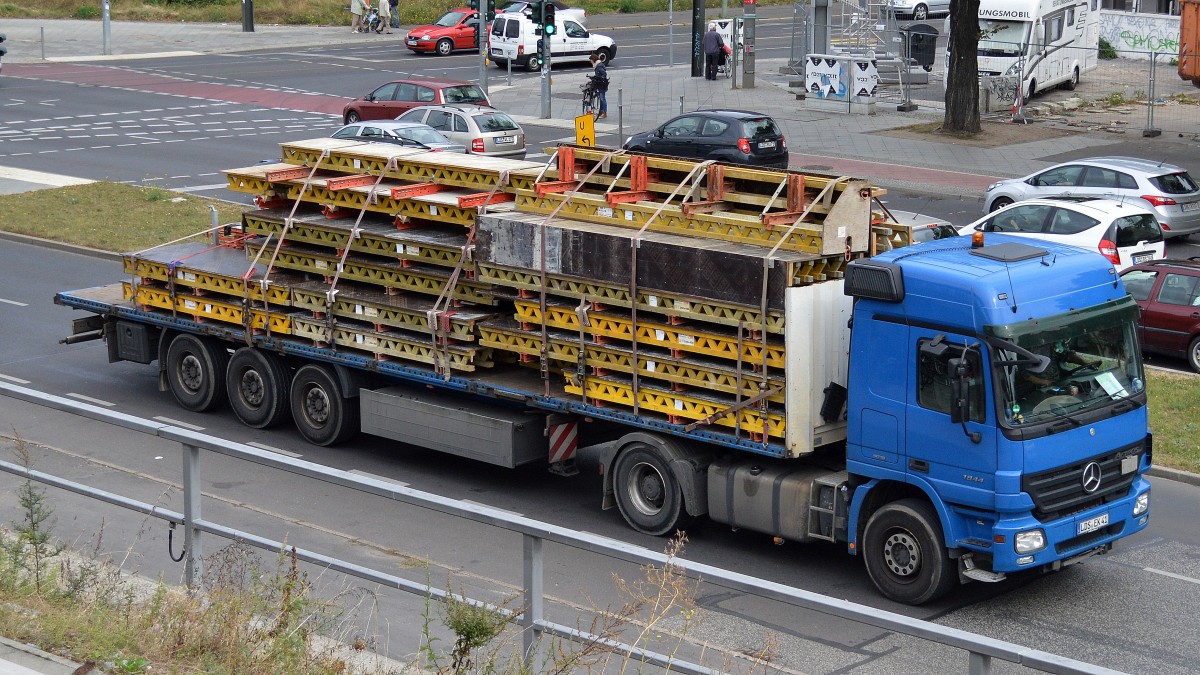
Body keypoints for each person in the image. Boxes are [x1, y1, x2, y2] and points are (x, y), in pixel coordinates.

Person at [588, 52, 609, 119]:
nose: (591, 62)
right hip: (601, 84)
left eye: (591, 60)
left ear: (593, 59)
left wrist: (599, 78)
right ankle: (602, 112)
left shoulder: (599, 66)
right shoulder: (598, 65)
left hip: (601, 85)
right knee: (601, 98)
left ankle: (604, 113)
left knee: (602, 99)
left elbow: (603, 74)